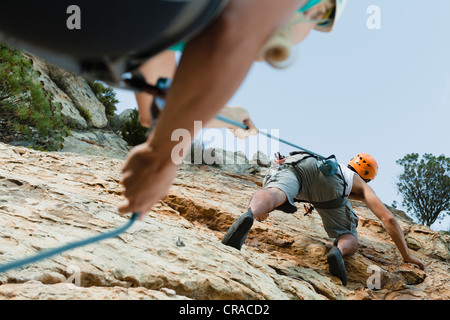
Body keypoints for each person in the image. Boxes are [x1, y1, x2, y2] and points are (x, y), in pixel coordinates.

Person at [118, 0, 346, 216]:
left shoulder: (168, 24)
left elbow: (157, 109)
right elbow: (233, 28)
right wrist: (159, 160)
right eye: (318, 24)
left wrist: (227, 116)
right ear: (318, 11)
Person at [221, 152, 426, 285]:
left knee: (275, 192)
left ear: (351, 163)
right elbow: (389, 219)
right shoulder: (360, 184)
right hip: (330, 186)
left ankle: (250, 213)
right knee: (348, 233)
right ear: (368, 177)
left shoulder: (334, 163)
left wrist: (262, 211)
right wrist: (407, 255)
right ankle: (339, 251)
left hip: (298, 163)